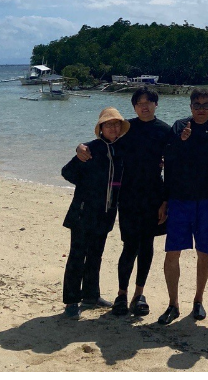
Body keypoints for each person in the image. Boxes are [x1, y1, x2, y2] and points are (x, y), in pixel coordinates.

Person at [75, 86, 171, 317]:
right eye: (139, 103)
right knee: (129, 246)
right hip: (127, 196)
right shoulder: (126, 129)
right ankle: (122, 294)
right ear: (134, 107)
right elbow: (103, 144)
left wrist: (165, 201)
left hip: (153, 196)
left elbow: (172, 167)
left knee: (147, 246)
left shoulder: (165, 131)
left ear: (156, 104)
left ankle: (139, 295)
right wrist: (80, 147)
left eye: (148, 102)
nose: (144, 106)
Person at [157, 88, 208, 324]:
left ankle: (198, 300)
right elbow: (167, 161)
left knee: (205, 252)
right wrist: (164, 199)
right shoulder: (179, 126)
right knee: (173, 253)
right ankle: (173, 304)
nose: (201, 109)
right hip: (179, 199)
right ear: (190, 107)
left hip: (206, 201)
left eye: (205, 105)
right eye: (197, 105)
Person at [61, 106, 130, 320]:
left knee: (95, 255)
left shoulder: (121, 150)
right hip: (83, 212)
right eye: (109, 124)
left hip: (106, 212)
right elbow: (67, 172)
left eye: (117, 124)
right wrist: (87, 187)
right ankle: (72, 300)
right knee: (77, 256)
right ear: (101, 128)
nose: (113, 128)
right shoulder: (89, 149)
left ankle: (91, 295)